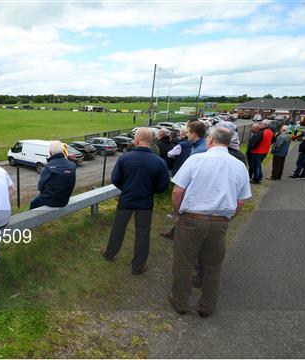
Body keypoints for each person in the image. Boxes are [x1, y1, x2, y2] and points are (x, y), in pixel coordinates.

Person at [167, 127, 251, 318]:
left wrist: (179, 213)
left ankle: (180, 301)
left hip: (192, 219)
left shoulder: (196, 160)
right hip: (220, 222)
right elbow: (241, 201)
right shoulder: (239, 166)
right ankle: (207, 306)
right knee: (213, 266)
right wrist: (227, 219)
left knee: (184, 263)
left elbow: (177, 191)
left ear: (211, 140)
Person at [101, 128, 170, 275]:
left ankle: (109, 253)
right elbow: (163, 185)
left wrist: (127, 188)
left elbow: (115, 179)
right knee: (143, 233)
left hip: (126, 199)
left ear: (136, 140)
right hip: (145, 202)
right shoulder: (159, 162)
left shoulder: (125, 158)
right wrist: (150, 191)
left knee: (118, 228)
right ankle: (138, 267)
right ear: (150, 141)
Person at [30, 141, 76, 209]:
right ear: (63, 151)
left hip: (50, 201)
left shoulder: (47, 167)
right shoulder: (72, 165)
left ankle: (32, 219)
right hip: (64, 200)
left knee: (33, 203)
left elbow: (39, 187)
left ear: (50, 152)